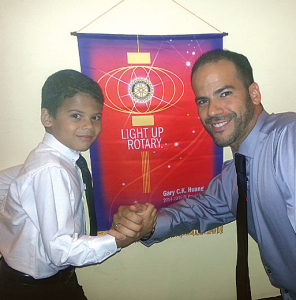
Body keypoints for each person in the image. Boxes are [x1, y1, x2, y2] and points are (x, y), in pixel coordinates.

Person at [113, 49, 296, 300]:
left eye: (225, 93)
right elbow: (202, 209)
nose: (212, 111)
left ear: (254, 93)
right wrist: (147, 225)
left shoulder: (288, 138)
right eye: (203, 101)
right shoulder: (236, 172)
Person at [0, 69, 156, 300]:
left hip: (42, 280)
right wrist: (122, 239)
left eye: (95, 117)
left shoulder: (52, 160)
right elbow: (61, 253)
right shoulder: (51, 169)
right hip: (34, 289)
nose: (89, 126)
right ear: (47, 117)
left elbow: (10, 182)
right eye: (76, 115)